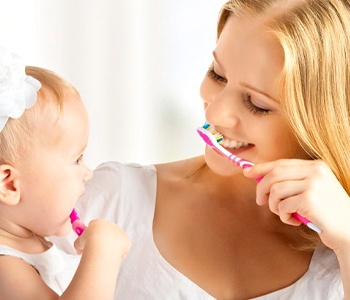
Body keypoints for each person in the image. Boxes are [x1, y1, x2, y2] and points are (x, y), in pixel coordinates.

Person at [56, 0, 350, 299]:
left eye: (257, 104)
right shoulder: (110, 200)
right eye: (217, 74)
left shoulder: (339, 246)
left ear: (322, 123)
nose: (215, 114)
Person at [0, 46, 131, 299]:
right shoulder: (6, 268)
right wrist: (103, 250)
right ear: (9, 185)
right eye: (77, 159)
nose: (88, 173)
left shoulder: (34, 241)